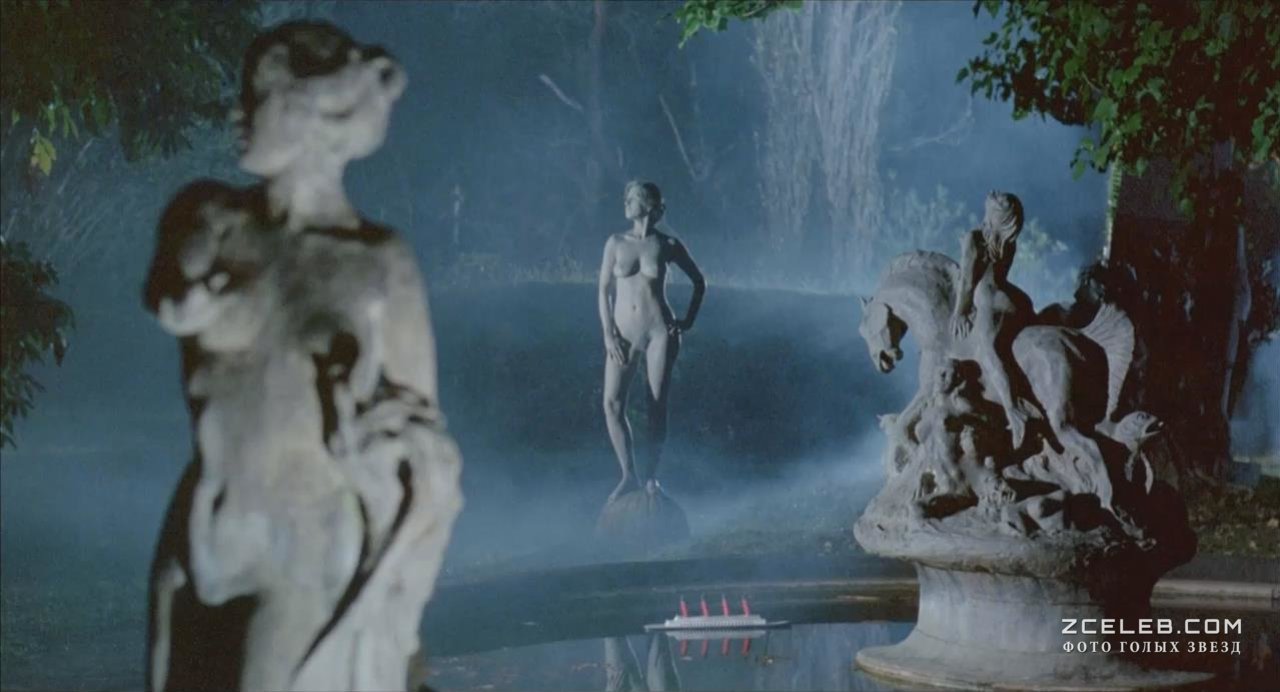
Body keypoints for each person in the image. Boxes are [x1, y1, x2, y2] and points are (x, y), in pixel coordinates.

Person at [144, 22, 460, 691]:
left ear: (313, 112)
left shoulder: (377, 266)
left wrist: (401, 623)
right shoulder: (211, 223)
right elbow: (166, 289)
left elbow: (424, 449)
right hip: (202, 541)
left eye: (256, 96)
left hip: (308, 553)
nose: (236, 113)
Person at [597, 181, 705, 503]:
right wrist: (608, 334)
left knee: (656, 405)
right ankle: (628, 474)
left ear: (647, 205)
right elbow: (603, 290)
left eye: (630, 199)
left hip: (660, 333)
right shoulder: (615, 243)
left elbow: (699, 282)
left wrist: (687, 321)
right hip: (623, 335)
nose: (625, 203)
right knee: (612, 403)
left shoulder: (667, 244)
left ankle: (651, 476)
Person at [950, 191, 1039, 447]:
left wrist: (960, 311)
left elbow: (967, 282)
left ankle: (1012, 409)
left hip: (987, 299)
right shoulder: (1009, 243)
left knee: (987, 349)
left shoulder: (974, 239)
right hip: (1012, 299)